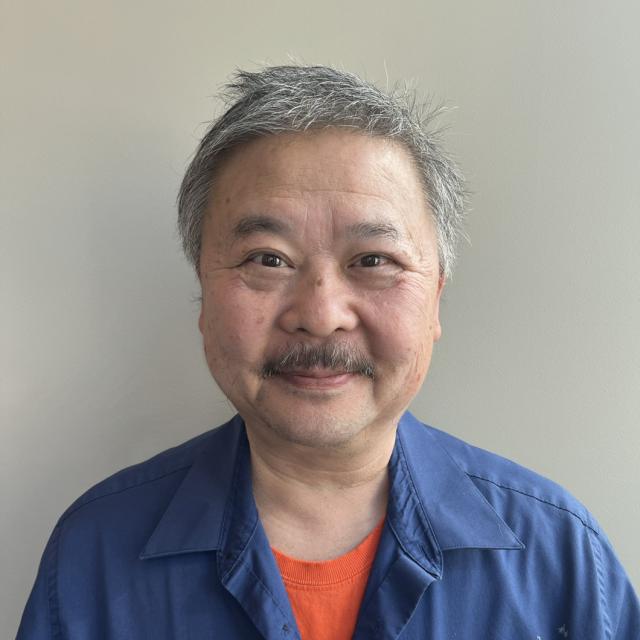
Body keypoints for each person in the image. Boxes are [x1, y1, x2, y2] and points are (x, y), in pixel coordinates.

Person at [17, 65, 638, 640]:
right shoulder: (95, 552)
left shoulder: (560, 557)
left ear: (436, 301)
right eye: (268, 259)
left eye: (373, 261)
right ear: (203, 295)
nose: (320, 315)